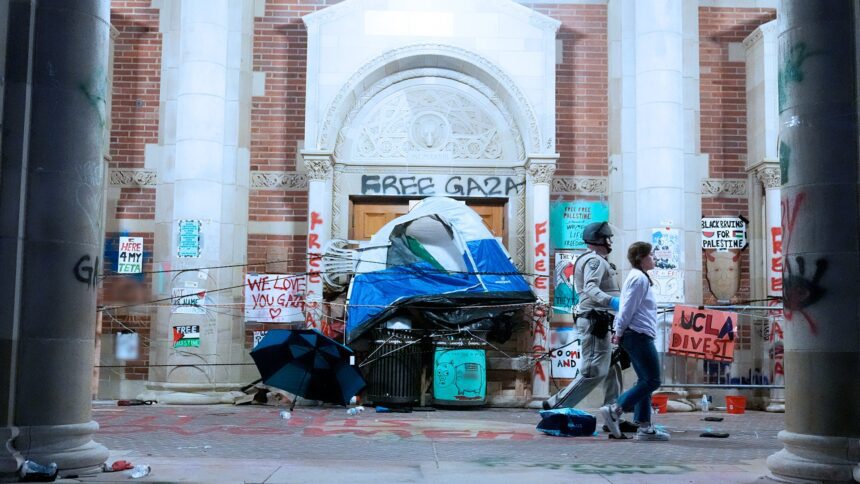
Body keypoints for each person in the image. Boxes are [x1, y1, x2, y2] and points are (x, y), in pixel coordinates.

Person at [543, 222, 635, 432]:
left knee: (613, 367)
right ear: (600, 239)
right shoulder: (594, 261)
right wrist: (613, 303)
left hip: (602, 319)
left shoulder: (599, 261)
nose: (610, 241)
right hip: (595, 319)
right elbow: (590, 288)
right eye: (608, 238)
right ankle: (555, 406)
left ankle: (613, 415)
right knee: (593, 370)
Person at [600, 242, 669, 441]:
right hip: (637, 335)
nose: (654, 258)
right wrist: (619, 332)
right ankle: (615, 409)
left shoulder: (639, 278)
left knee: (644, 380)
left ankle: (645, 426)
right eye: (651, 255)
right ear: (641, 258)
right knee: (652, 380)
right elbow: (627, 308)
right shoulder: (639, 279)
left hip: (636, 334)